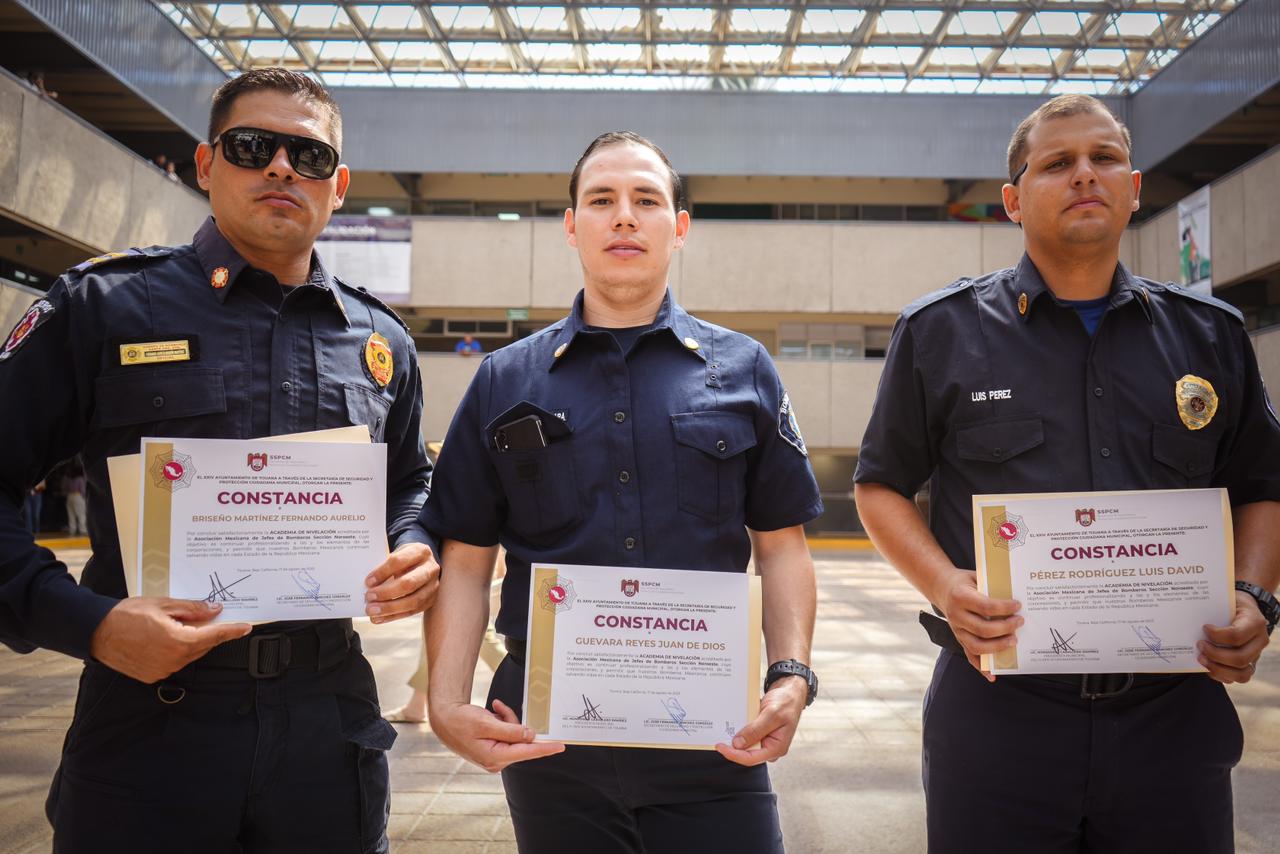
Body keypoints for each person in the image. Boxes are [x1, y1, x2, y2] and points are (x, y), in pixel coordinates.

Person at [0, 67, 441, 854]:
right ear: (207, 165)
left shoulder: (380, 344)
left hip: (327, 724)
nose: (280, 168)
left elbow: (409, 480)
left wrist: (416, 541)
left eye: (307, 157)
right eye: (252, 146)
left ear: (336, 187)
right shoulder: (102, 308)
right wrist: (89, 625)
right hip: (148, 722)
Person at [853, 94, 1280, 854]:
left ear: (1135, 187)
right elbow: (879, 483)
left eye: (1104, 158)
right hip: (997, 717)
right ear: (1015, 201)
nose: (1085, 174)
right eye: (1058, 164)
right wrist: (945, 585)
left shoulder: (1210, 336)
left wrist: (1252, 594)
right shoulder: (940, 333)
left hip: (1173, 718)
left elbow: (1263, 486)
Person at [422, 131, 823, 854]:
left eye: (647, 200)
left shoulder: (744, 370)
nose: (625, 217)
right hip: (550, 736)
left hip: (713, 733)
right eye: (601, 200)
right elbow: (468, 558)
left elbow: (783, 546)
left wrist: (790, 674)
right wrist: (446, 703)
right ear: (572, 226)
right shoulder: (505, 381)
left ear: (680, 228)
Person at [62, 464, 86, 537]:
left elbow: (64, 489)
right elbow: (82, 490)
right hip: (78, 496)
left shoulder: (68, 479)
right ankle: (83, 530)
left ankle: (72, 530)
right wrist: (84, 497)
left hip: (70, 496)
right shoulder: (80, 479)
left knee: (71, 515)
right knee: (81, 514)